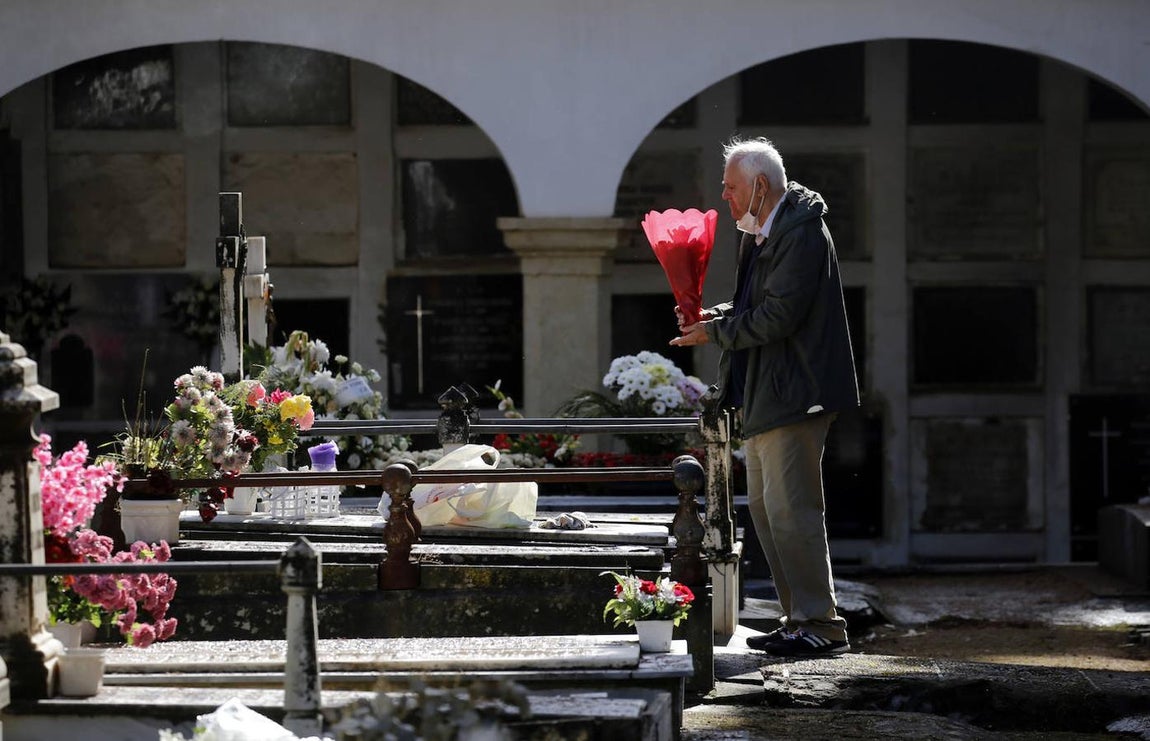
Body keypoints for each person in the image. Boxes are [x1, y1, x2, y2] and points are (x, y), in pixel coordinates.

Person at [671, 136, 859, 657]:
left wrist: (716, 333)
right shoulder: (767, 229)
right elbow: (761, 301)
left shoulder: (800, 233)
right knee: (765, 509)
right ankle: (796, 618)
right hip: (766, 392)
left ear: (759, 187)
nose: (724, 199)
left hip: (794, 392)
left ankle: (820, 624)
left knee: (792, 511)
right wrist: (716, 316)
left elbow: (781, 316)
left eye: (730, 189)